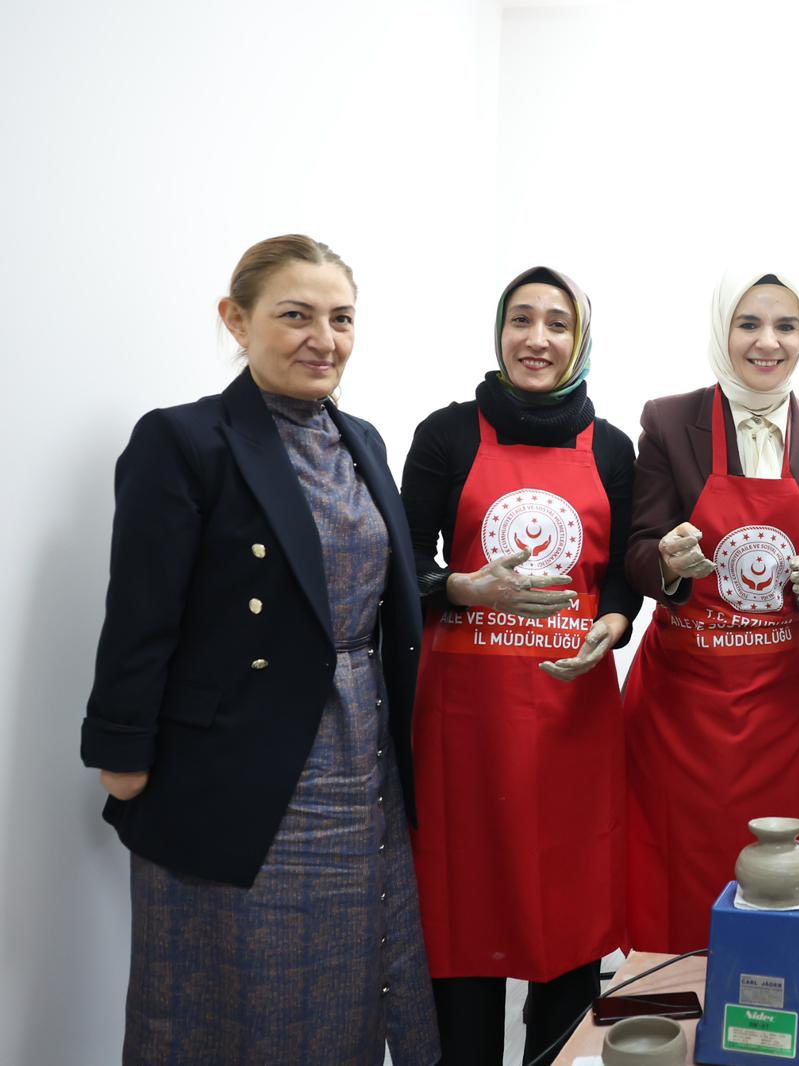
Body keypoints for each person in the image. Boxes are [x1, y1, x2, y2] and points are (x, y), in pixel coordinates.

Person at [80, 234, 439, 1064]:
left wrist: (456, 587)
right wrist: (121, 750)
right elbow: (141, 612)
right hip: (237, 766)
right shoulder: (185, 440)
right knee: (233, 990)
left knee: (349, 982)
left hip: (361, 759)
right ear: (236, 321)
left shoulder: (364, 439)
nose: (325, 339)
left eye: (341, 318)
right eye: (296, 316)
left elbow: (374, 589)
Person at [401, 266, 641, 1065]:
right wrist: (457, 586)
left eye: (558, 324)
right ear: (500, 331)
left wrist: (615, 620)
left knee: (567, 913)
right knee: (463, 911)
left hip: (573, 715)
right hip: (464, 722)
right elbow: (402, 561)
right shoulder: (446, 434)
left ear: (581, 340)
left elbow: (621, 574)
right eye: (522, 320)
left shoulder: (612, 447)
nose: (537, 339)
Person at [622, 271, 799, 952]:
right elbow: (639, 550)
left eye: (786, 326)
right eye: (749, 323)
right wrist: (668, 561)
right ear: (722, 330)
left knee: (785, 882)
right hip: (684, 705)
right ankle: (674, 999)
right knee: (680, 872)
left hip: (788, 708)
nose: (767, 342)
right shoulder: (670, 421)